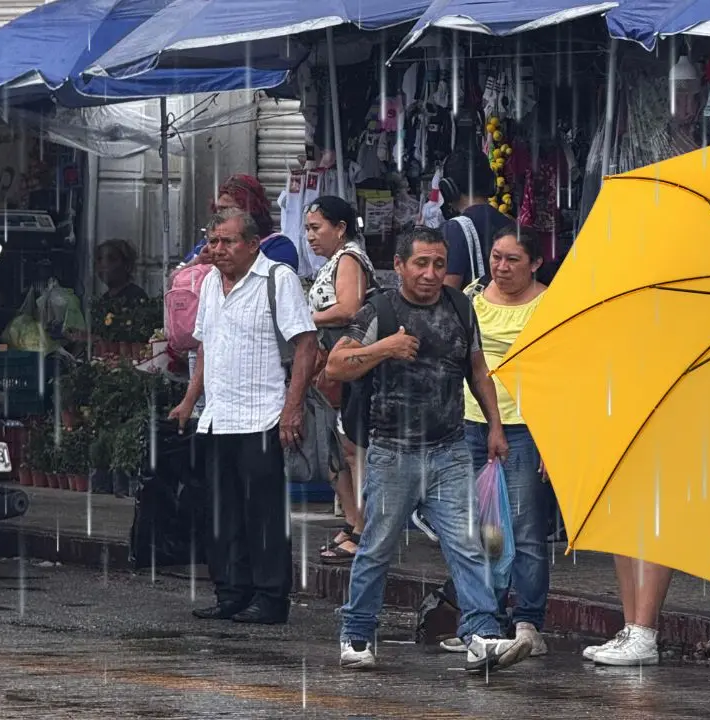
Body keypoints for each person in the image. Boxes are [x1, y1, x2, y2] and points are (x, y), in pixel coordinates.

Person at [325, 226, 529, 673]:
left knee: (468, 545)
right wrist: (385, 348)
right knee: (377, 545)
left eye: (439, 263)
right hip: (392, 452)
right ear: (399, 266)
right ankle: (357, 633)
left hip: (450, 449)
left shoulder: (460, 305)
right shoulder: (380, 308)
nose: (431, 273)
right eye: (421, 263)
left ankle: (482, 635)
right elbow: (336, 365)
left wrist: (495, 426)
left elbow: (478, 370)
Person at [168, 208, 317, 625]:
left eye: (227, 242)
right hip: (218, 416)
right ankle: (232, 592)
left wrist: (293, 407)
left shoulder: (278, 279)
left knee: (263, 516)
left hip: (263, 415)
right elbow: (206, 350)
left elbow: (307, 346)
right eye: (213, 241)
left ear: (252, 244)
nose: (218, 250)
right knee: (223, 513)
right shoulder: (211, 283)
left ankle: (270, 599)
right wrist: (189, 401)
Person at [432, 226, 551, 657]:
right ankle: (484, 621)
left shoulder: (549, 304)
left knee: (525, 530)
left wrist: (552, 437)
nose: (501, 267)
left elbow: (562, 373)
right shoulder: (473, 298)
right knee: (480, 529)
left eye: (513, 260)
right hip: (470, 422)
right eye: (496, 257)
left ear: (536, 263)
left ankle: (528, 621)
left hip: (524, 426)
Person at [304, 195, 374, 563]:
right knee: (335, 450)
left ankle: (362, 528)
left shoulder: (349, 258)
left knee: (350, 450)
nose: (310, 237)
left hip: (347, 364)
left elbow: (349, 308)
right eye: (308, 230)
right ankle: (352, 522)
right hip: (329, 363)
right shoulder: (336, 260)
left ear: (341, 228)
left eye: (317, 228)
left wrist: (302, 317)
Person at [184, 175, 299, 272]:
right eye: (219, 210)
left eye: (230, 210)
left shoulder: (277, 246)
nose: (221, 216)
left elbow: (278, 285)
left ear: (251, 211)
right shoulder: (209, 244)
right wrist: (197, 262)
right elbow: (173, 279)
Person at [440, 151, 512, 290]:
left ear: (448, 189)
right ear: (491, 183)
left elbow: (448, 294)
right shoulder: (510, 225)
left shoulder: (455, 229)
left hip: (471, 311)